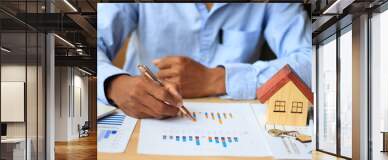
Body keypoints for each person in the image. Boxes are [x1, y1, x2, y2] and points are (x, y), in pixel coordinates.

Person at [98, 3, 311, 119]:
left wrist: (217, 79)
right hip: (140, 117)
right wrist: (112, 84)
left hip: (236, 126)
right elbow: (86, 44)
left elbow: (314, 60)